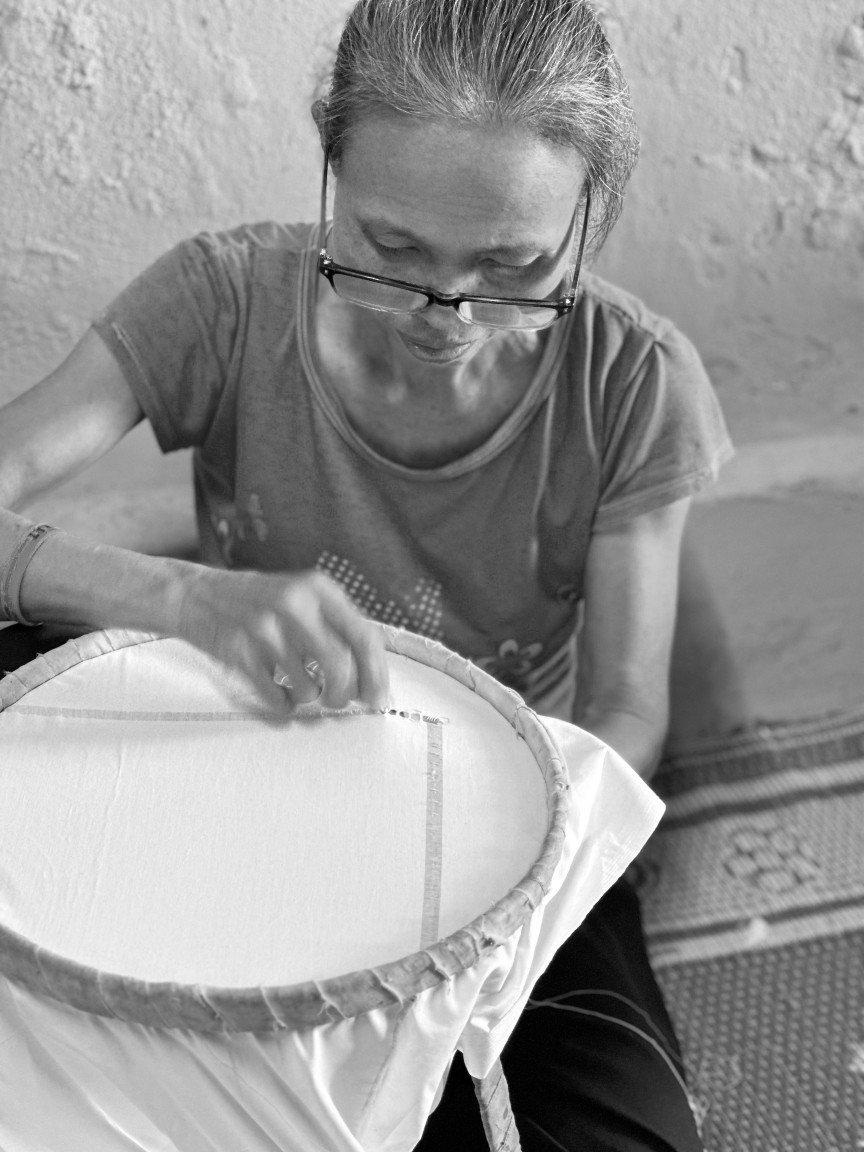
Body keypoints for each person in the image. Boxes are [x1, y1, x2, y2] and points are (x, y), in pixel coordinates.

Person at [0, 0, 732, 1147]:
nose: (445, 318)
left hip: (501, 815)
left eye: (514, 266)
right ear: (329, 168)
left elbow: (626, 713)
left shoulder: (633, 382)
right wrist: (182, 596)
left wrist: (505, 882)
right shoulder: (230, 296)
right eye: (390, 252)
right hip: (233, 755)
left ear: (591, 217)